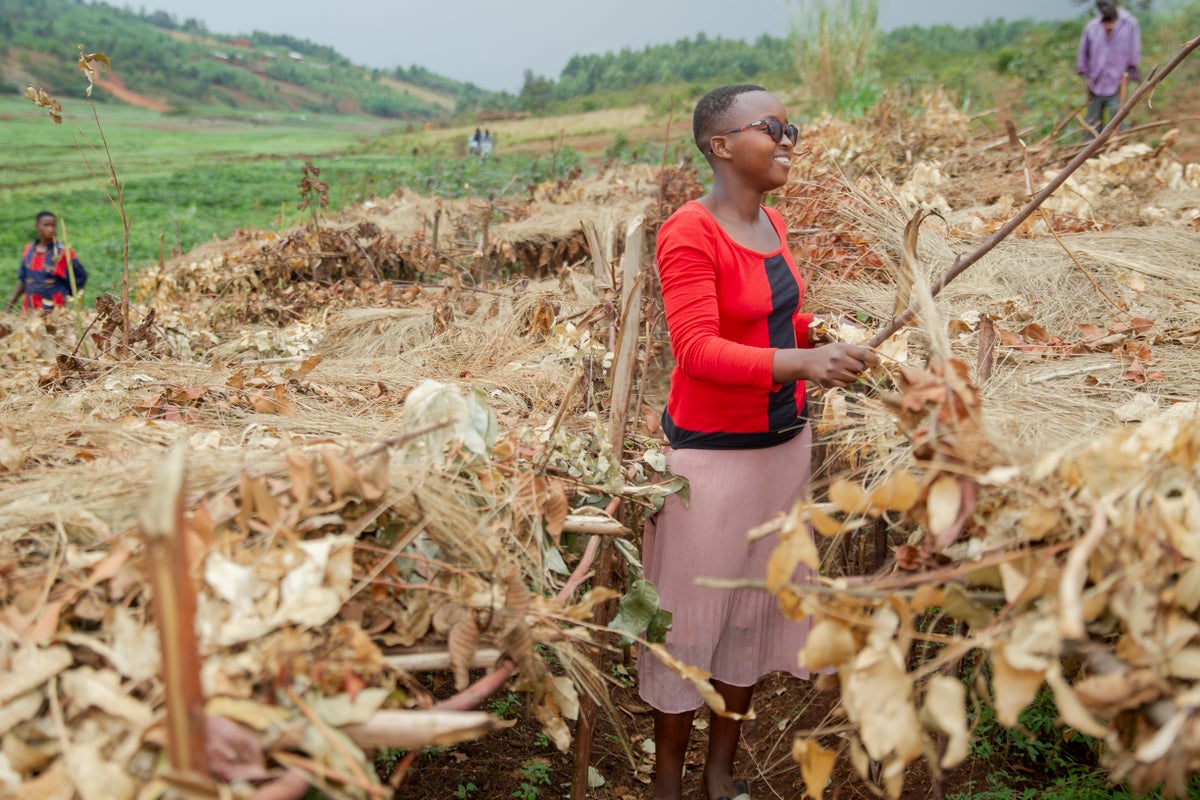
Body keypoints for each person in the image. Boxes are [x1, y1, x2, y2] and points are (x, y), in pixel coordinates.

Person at [640, 84, 876, 800]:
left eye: (791, 127)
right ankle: (667, 780)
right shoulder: (690, 229)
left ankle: (720, 773)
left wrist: (823, 341)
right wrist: (801, 363)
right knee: (692, 621)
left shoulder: (771, 226)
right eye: (771, 128)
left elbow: (772, 325)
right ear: (720, 145)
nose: (787, 139)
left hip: (781, 451)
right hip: (714, 460)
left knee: (751, 612)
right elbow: (698, 351)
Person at [1077, 0, 1141, 136]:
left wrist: (1127, 79)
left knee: (1118, 126)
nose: (1104, 8)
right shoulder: (1091, 27)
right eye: (1100, 5)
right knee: (1092, 127)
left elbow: (1134, 55)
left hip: (1118, 84)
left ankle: (1118, 153)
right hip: (1095, 84)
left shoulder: (1129, 24)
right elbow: (1082, 56)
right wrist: (1087, 78)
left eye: (1106, 3)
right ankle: (1092, 156)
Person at [7, 211, 88, 312]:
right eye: (46, 225)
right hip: (29, 309)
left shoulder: (64, 252)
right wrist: (10, 305)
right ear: (37, 226)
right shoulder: (28, 250)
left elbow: (80, 278)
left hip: (55, 310)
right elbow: (23, 280)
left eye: (53, 226)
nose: (50, 229)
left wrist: (69, 298)